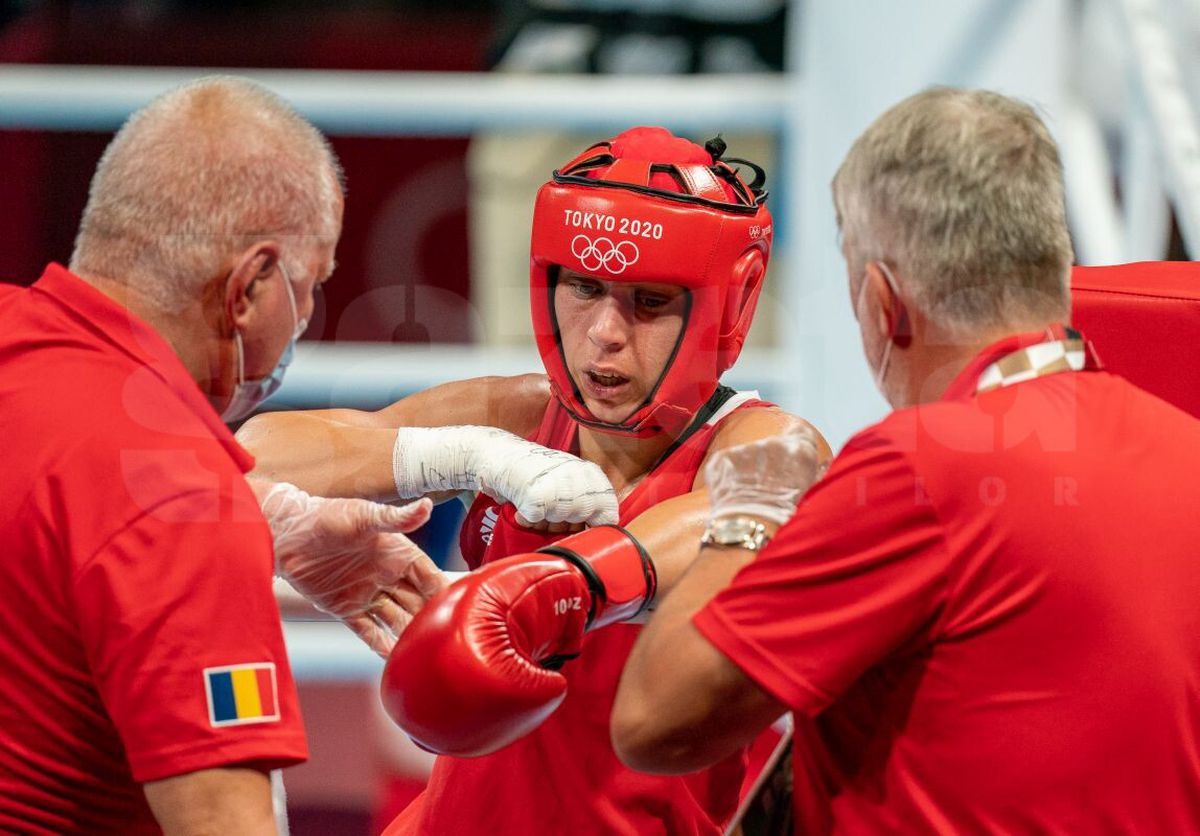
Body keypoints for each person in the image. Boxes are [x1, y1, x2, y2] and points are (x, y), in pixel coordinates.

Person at [611, 87, 1200, 833]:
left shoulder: (919, 470)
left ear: (884, 303)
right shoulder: (1188, 448)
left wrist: (749, 511)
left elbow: (654, 722)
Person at [238, 126, 830, 834]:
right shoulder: (518, 416)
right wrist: (470, 455)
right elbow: (261, 451)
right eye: (584, 287)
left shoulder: (757, 441)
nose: (606, 333)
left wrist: (559, 588)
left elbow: (751, 506)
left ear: (723, 309)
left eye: (647, 302)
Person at [0, 76, 451, 834]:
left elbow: (55, 515)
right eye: (308, 286)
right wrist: (220, 535)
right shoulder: (181, 506)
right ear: (249, 288)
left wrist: (257, 524)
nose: (307, 315)